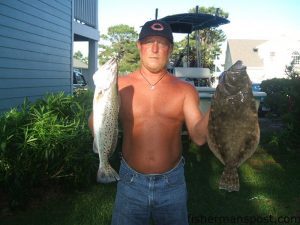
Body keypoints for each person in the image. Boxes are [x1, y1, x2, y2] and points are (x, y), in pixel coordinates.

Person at [88, 19, 210, 225]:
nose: (154, 48)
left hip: (173, 184)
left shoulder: (185, 89)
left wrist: (219, 105)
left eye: (161, 43)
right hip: (130, 182)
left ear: (169, 49)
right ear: (139, 46)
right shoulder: (120, 85)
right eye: (148, 42)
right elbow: (96, 125)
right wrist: (101, 99)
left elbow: (199, 137)